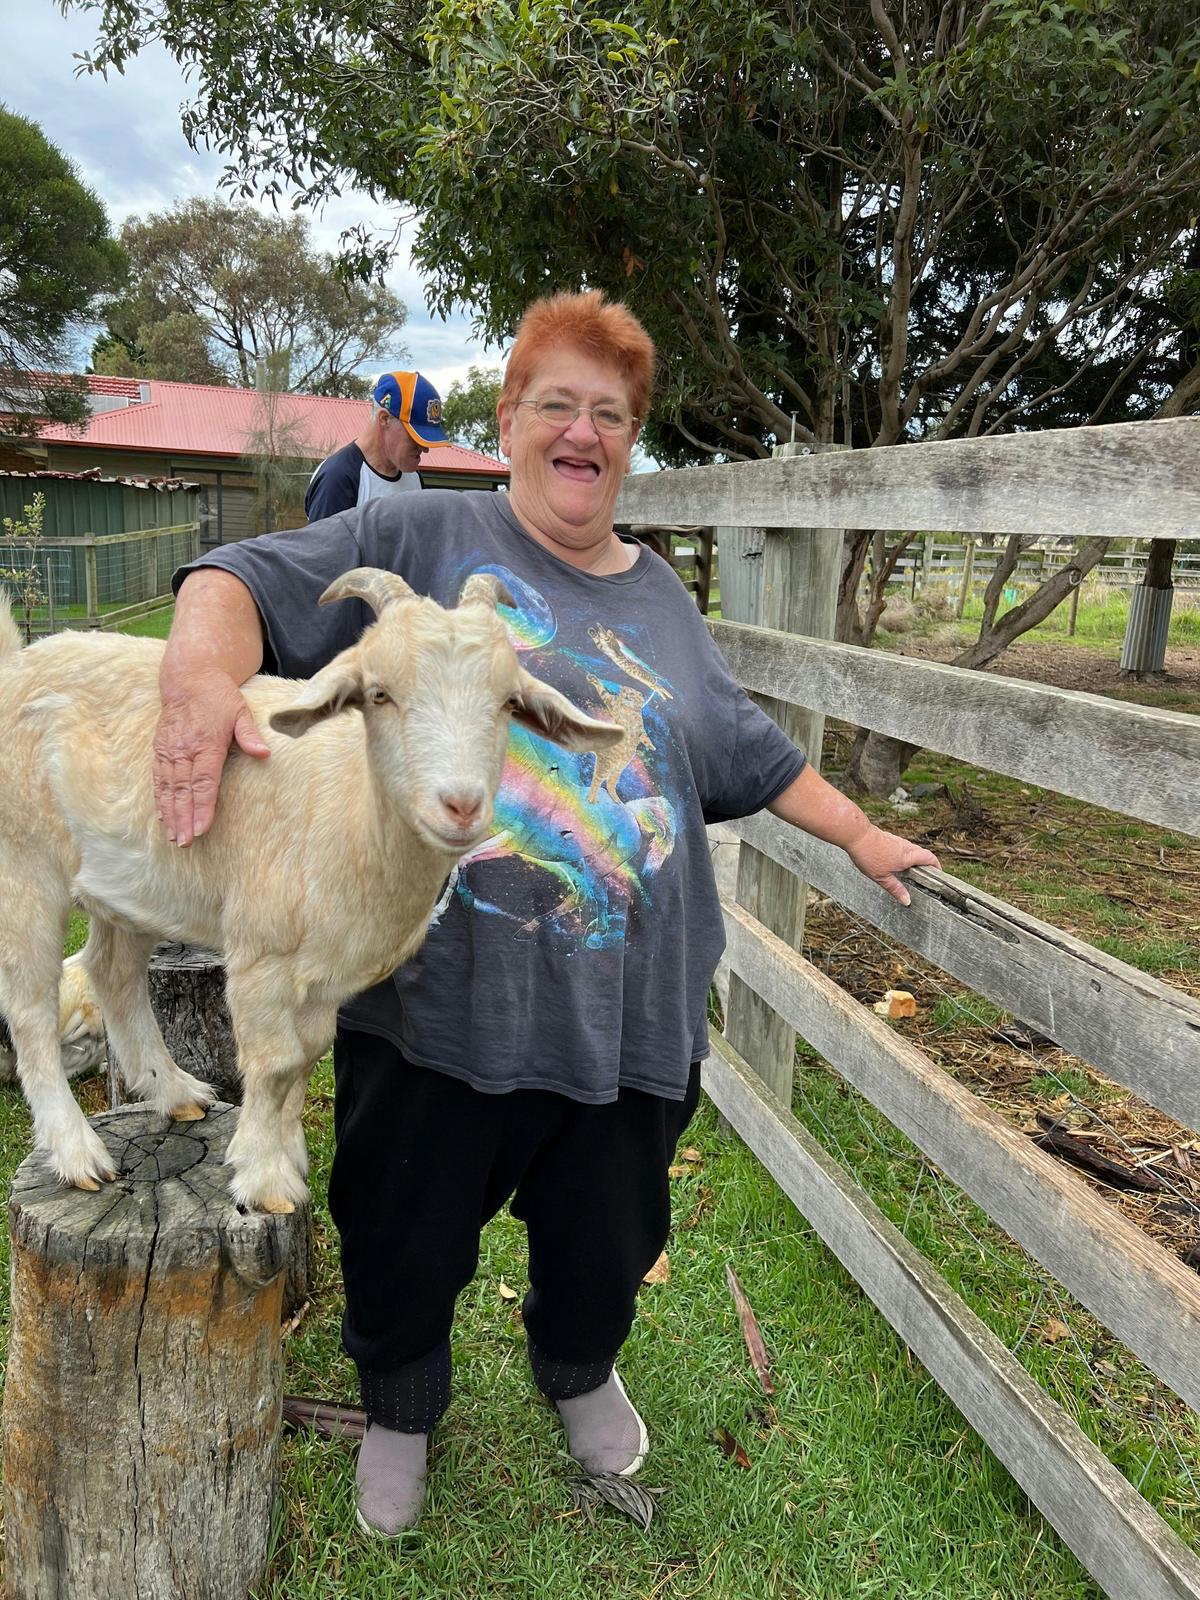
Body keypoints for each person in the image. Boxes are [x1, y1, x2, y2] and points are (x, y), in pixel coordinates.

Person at [154, 291, 940, 1539]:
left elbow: (738, 742)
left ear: (631, 441)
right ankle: (402, 1405)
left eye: (612, 414)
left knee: (608, 1230)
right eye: (557, 405)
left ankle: (579, 1371)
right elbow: (242, 576)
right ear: (509, 420)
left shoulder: (662, 598)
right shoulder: (416, 530)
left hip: (627, 1009)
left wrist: (857, 828)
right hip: (441, 1008)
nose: (584, 431)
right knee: (405, 1222)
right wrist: (201, 674)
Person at [304, 370, 451, 521]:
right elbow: (320, 544)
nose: (425, 449)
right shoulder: (338, 478)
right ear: (384, 419)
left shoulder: (413, 478)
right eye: (415, 437)